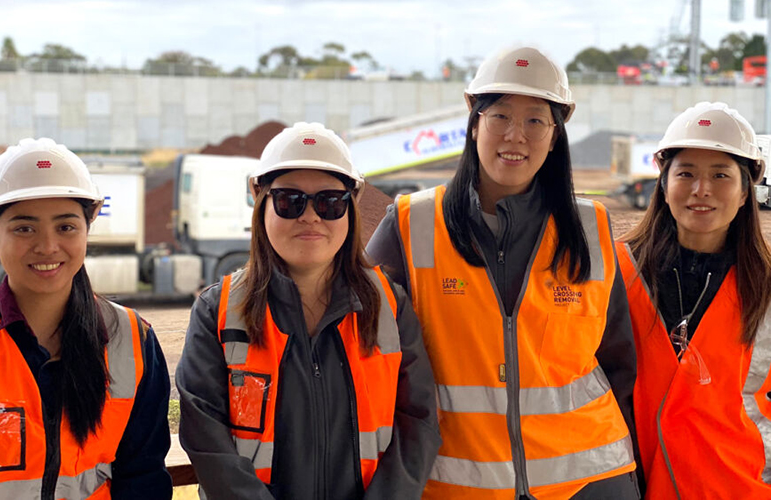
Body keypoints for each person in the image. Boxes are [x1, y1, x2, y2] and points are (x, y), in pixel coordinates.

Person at [367, 46, 640, 499]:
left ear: (555, 136)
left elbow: (619, 364)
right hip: (458, 483)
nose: (516, 136)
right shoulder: (411, 224)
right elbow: (368, 358)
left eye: (536, 120)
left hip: (591, 479)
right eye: (500, 117)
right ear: (474, 122)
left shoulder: (590, 228)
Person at [176, 122, 440, 499]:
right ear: (261, 203)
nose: (311, 216)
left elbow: (419, 423)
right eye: (290, 201)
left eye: (330, 202)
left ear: (349, 209)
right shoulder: (218, 311)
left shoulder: (389, 308)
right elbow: (206, 438)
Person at [0, 138, 172, 499]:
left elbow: (142, 478)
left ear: (87, 228)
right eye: (24, 228)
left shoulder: (132, 340)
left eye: (66, 227)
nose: (47, 246)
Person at [617, 101, 771, 498]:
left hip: (733, 486)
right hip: (628, 483)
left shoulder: (765, 286)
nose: (701, 190)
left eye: (720, 175)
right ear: (664, 185)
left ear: (743, 193)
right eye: (686, 173)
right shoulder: (615, 271)